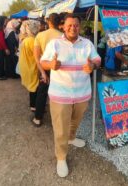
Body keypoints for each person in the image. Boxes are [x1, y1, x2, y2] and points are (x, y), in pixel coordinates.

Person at [40, 13, 101, 178]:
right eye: (69, 25)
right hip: (60, 95)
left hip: (82, 93)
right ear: (62, 26)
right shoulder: (55, 44)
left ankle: (72, 138)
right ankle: (61, 157)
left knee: (75, 121)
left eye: (76, 25)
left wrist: (92, 66)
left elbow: (97, 60)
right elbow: (43, 62)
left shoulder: (87, 43)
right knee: (60, 129)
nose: (73, 28)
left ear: (79, 27)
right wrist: (51, 64)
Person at [32, 13, 62, 126]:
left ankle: (38, 118)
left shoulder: (40, 35)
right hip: (59, 68)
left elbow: (37, 57)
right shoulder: (62, 36)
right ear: (59, 23)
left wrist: (43, 73)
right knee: (59, 95)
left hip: (45, 67)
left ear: (49, 22)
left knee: (42, 93)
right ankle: (59, 120)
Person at [19, 20, 41, 114]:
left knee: (32, 87)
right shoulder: (33, 41)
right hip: (32, 66)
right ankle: (34, 106)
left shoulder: (26, 39)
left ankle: (33, 105)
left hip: (26, 66)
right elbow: (38, 55)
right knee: (34, 87)